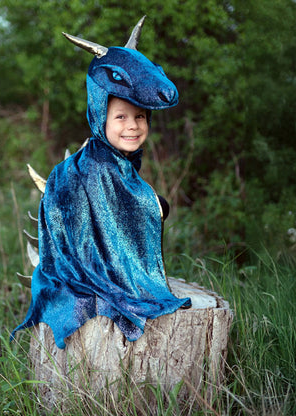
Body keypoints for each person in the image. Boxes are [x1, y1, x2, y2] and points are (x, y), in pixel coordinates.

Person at [12, 17, 191, 349]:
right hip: (88, 276)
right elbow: (117, 221)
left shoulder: (115, 160)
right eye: (120, 117)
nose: (132, 126)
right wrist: (154, 205)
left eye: (140, 117)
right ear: (99, 115)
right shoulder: (97, 167)